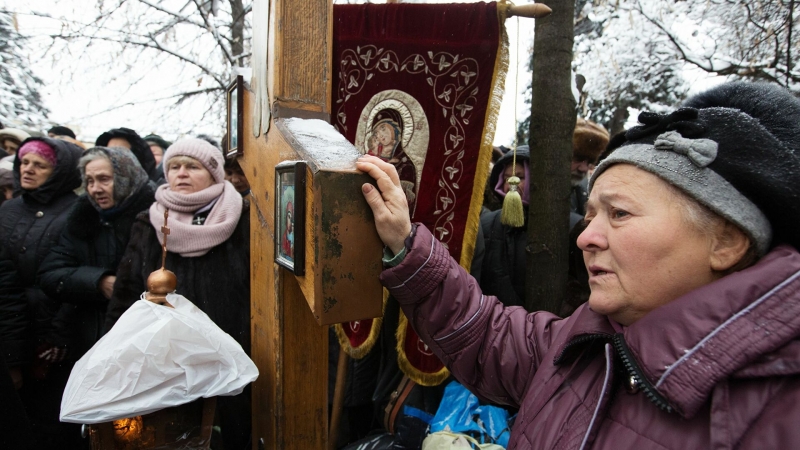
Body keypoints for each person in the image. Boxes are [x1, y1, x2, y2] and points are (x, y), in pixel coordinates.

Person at [356, 81, 800, 448]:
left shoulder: (775, 416)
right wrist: (405, 240)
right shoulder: (591, 338)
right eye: (590, 216)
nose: (586, 237)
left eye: (620, 214)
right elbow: (489, 334)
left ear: (725, 242)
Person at [104, 138, 251, 450]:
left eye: (192, 166)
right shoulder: (149, 221)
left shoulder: (244, 218)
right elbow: (127, 290)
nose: (181, 173)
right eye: (174, 166)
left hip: (232, 352)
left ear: (214, 173)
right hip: (165, 359)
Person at [0, 137, 84, 449]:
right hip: (12, 329)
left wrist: (58, 336)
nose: (29, 169)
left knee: (51, 423)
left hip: (52, 336)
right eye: (24, 162)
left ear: (60, 171)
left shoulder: (77, 211)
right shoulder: (8, 210)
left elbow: (72, 277)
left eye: (40, 165)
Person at [38, 147, 157, 361]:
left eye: (104, 179)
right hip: (90, 338)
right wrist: (99, 281)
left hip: (144, 339)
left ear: (126, 177)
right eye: (90, 181)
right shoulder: (83, 218)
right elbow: (51, 273)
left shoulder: (156, 218)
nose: (95, 189)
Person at [95, 127, 162, 183]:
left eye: (120, 152)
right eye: (108, 152)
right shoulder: (94, 190)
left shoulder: (157, 192)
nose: (113, 156)